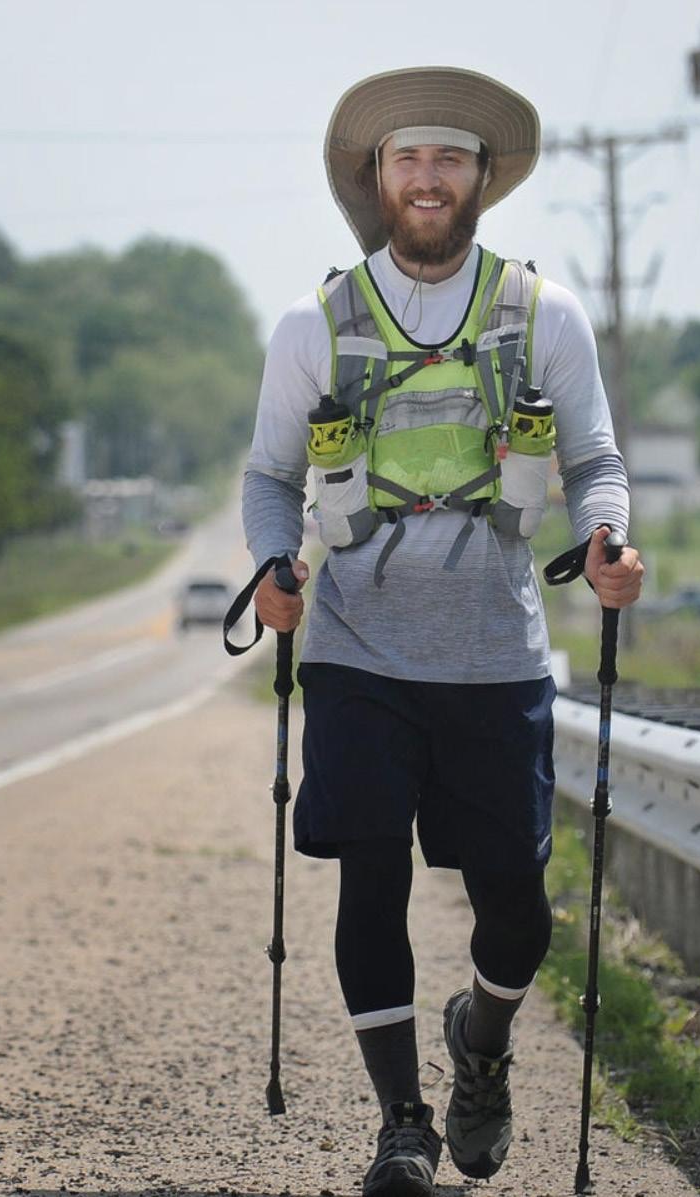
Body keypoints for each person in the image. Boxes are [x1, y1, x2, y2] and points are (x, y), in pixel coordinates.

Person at [241, 66, 644, 1197]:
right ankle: (402, 1126)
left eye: (449, 158)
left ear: (480, 177)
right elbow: (270, 477)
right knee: (369, 882)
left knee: (515, 913)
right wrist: (273, 567)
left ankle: (482, 1037)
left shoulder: (545, 313)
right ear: (376, 177)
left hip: (493, 654)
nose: (427, 176)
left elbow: (594, 460)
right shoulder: (312, 324)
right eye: (407, 157)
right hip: (356, 651)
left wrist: (607, 539)